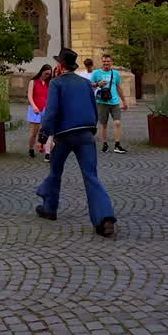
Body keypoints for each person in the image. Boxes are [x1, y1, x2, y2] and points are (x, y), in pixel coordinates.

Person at [35, 48, 117, 238]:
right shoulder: (86, 84)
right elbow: (94, 109)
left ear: (60, 66)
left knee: (55, 171)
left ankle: (49, 207)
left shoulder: (56, 84)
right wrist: (90, 129)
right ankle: (105, 217)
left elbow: (52, 112)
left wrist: (43, 135)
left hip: (64, 136)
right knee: (91, 176)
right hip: (86, 135)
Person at [90, 54, 128, 154]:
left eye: (108, 61)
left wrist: (124, 101)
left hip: (114, 101)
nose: (106, 63)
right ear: (101, 62)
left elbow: (119, 87)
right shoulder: (96, 73)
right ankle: (105, 144)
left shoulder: (115, 73)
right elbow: (90, 85)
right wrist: (98, 84)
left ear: (112, 62)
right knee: (103, 125)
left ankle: (117, 145)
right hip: (101, 102)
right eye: (104, 61)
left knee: (117, 123)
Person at [25, 65, 52, 159]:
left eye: (49, 74)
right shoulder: (33, 82)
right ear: (42, 72)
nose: (47, 75)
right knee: (33, 133)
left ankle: (44, 147)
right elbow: (29, 95)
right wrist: (34, 106)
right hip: (35, 108)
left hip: (45, 108)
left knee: (46, 131)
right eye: (46, 73)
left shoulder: (49, 83)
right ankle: (31, 148)